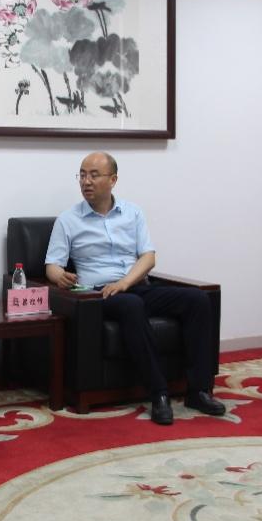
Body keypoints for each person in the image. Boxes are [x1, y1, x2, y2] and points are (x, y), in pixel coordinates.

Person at [44, 152, 225, 426]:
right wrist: (61, 276)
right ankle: (159, 393)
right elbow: (52, 266)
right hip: (100, 294)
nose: (86, 181)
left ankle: (198, 391)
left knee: (197, 299)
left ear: (113, 180)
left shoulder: (133, 213)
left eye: (94, 175)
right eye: (82, 175)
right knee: (130, 304)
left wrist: (126, 282)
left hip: (135, 285)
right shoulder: (68, 220)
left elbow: (148, 257)